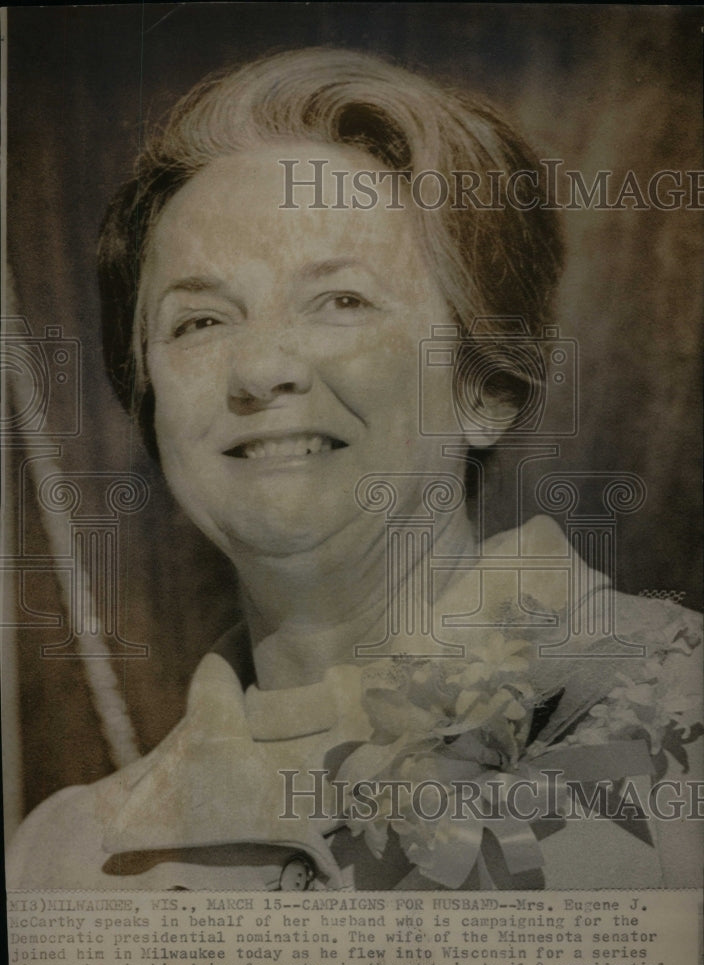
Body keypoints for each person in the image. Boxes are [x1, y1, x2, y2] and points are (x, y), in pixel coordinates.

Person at [7, 47, 701, 892]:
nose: (261, 371)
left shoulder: (682, 718)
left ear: (485, 387)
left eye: (342, 301)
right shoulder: (68, 860)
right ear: (150, 402)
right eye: (199, 321)